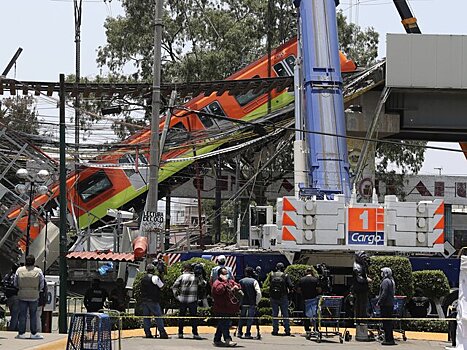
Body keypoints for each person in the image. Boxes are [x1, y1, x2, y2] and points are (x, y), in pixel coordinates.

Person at [172, 262, 205, 340]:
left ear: (185, 269)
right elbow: (203, 284)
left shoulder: (181, 277)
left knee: (181, 317)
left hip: (182, 300)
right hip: (192, 300)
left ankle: (180, 333)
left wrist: (177, 297)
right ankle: (195, 334)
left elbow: (174, 287)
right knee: (193, 317)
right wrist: (201, 276)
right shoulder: (195, 277)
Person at [14, 255, 45, 339]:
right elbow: (42, 284)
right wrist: (37, 290)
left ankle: (21, 333)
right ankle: (33, 333)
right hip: (34, 295)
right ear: (34, 262)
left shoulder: (19, 270)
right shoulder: (38, 271)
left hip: (22, 295)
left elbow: (15, 283)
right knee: (33, 315)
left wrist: (20, 288)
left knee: (22, 315)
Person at [212, 267, 241, 347]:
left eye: (227, 273)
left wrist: (236, 287)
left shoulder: (230, 281)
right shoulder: (217, 283)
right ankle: (228, 339)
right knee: (225, 324)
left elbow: (237, 284)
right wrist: (225, 283)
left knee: (222, 324)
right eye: (224, 274)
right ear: (220, 275)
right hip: (221, 307)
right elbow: (219, 290)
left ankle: (217, 339)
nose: (226, 275)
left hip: (229, 307)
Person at [140, 264, 169, 339]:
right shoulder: (154, 277)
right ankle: (162, 332)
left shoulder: (143, 278)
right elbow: (161, 286)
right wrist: (162, 277)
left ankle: (147, 333)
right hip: (153, 300)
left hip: (144, 300)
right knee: (158, 316)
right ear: (153, 270)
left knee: (146, 317)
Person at [269, 262, 293, 336]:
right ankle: (287, 330)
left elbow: (270, 284)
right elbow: (290, 286)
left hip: (273, 296)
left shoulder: (272, 275)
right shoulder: (285, 275)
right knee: (285, 314)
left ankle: (275, 330)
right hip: (283, 296)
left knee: (274, 314)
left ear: (276, 267)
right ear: (283, 268)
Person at [237, 267, 261, 339]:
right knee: (250, 318)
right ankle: (247, 333)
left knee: (242, 317)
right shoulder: (254, 281)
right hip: (251, 303)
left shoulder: (241, 281)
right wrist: (256, 302)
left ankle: (239, 332)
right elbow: (258, 293)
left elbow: (238, 292)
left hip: (243, 302)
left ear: (245, 273)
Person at [297, 267, 321, 337]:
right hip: (313, 299)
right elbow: (319, 290)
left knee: (306, 315)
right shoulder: (315, 280)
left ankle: (307, 329)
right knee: (314, 314)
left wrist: (303, 293)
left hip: (305, 299)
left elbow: (298, 290)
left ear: (306, 272)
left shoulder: (302, 280)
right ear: (312, 272)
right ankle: (315, 328)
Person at [377, 267, 396, 346]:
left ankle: (388, 340)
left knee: (386, 323)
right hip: (390, 304)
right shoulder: (391, 281)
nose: (381, 274)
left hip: (385, 305)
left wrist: (379, 302)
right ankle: (390, 339)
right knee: (389, 323)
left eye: (382, 272)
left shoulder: (385, 281)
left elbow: (384, 293)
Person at [352, 251, 371, 324]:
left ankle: (361, 320)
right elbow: (359, 279)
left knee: (362, 306)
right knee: (361, 306)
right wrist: (367, 280)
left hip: (361, 289)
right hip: (360, 290)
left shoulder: (361, 264)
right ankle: (361, 321)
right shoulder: (357, 266)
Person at [2, 264, 19, 331]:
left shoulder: (7, 276)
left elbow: (3, 284)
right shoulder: (17, 276)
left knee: (13, 313)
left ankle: (15, 327)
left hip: (8, 297)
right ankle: (12, 329)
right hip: (15, 296)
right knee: (15, 314)